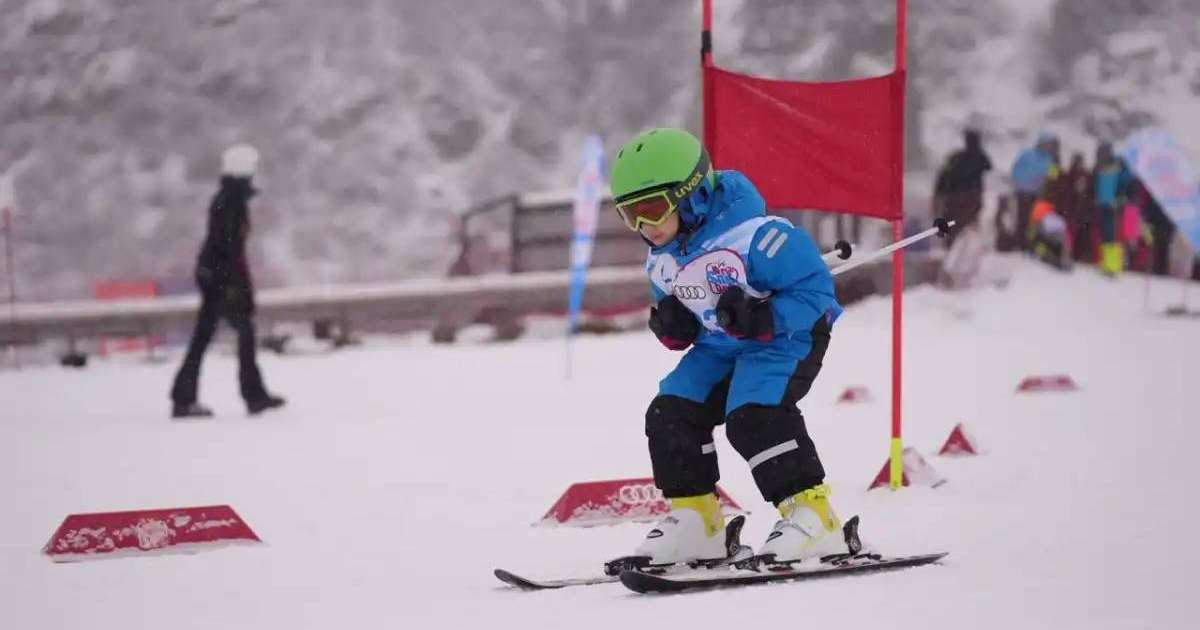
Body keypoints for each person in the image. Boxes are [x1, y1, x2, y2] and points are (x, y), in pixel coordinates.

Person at [607, 128, 847, 569]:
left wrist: (765, 318)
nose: (646, 227)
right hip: (720, 346)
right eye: (630, 216)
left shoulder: (760, 237)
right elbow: (682, 318)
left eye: (654, 210)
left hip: (785, 340)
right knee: (671, 411)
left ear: (692, 195)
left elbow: (817, 292)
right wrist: (673, 327)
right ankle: (698, 523)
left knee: (753, 417)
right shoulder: (662, 257)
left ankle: (814, 516)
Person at [169, 144, 285, 418]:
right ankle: (251, 396)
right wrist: (237, 287)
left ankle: (185, 397)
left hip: (216, 275)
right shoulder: (230, 202)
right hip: (222, 279)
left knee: (210, 336)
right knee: (236, 334)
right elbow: (230, 249)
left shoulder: (229, 199)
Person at [932, 128, 992, 247]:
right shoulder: (979, 157)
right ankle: (962, 248)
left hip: (954, 197)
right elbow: (988, 167)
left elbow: (942, 179)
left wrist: (939, 195)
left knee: (953, 223)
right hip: (971, 196)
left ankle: (949, 246)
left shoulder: (955, 159)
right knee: (968, 224)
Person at [1011, 132, 1058, 249]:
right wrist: (1018, 182)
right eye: (1047, 144)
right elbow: (1016, 168)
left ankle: (1028, 242)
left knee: (1033, 219)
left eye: (1051, 145)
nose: (1049, 147)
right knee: (1021, 217)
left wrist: (1055, 165)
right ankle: (1019, 241)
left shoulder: (1050, 159)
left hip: (1037, 194)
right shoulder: (1028, 154)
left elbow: (1053, 177)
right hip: (1022, 191)